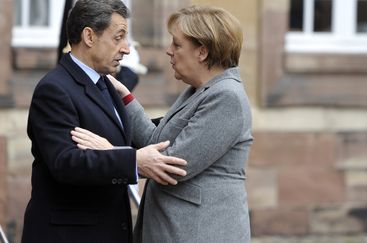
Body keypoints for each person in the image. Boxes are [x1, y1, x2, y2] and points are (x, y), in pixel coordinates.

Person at [71, 5, 253, 243]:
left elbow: (171, 166)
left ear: (202, 52)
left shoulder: (226, 97)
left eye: (177, 45)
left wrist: (109, 153)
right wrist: (125, 95)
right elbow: (156, 143)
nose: (169, 51)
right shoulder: (198, 90)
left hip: (200, 233)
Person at [21, 1, 187, 243]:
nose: (127, 49)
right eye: (118, 37)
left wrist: (191, 117)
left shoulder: (105, 82)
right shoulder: (54, 89)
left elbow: (121, 133)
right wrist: (133, 161)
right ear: (89, 36)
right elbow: (65, 163)